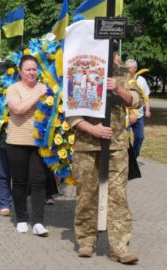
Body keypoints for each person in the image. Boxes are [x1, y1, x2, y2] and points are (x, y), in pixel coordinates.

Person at [68, 55, 143, 263]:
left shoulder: (123, 74)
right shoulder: (79, 70)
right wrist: (92, 129)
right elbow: (70, 110)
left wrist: (118, 88)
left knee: (118, 196)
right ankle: (86, 241)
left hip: (116, 145)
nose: (115, 56)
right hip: (86, 144)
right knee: (86, 194)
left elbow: (135, 100)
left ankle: (119, 247)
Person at [6, 55, 49, 236]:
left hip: (39, 143)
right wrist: (37, 95)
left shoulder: (46, 87)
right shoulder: (13, 88)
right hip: (17, 142)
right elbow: (18, 109)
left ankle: (38, 221)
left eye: (34, 69)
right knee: (20, 182)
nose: (31, 72)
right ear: (20, 71)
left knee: (39, 181)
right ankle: (22, 218)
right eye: (28, 69)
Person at [125, 59, 151, 158]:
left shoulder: (141, 80)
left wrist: (147, 110)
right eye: (126, 67)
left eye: (130, 68)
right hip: (125, 116)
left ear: (135, 69)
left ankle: (133, 157)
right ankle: (125, 158)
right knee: (124, 139)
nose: (127, 69)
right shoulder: (122, 79)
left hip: (139, 116)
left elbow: (146, 97)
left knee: (140, 137)